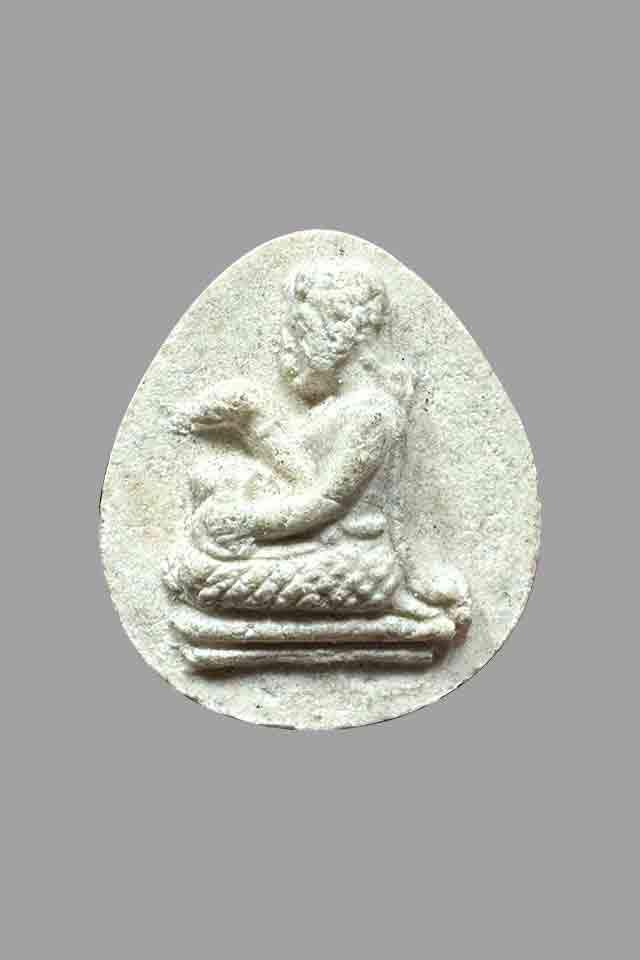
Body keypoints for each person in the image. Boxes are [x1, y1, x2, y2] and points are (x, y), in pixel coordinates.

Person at [164, 258, 469, 629]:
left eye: (299, 331)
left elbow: (324, 503)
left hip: (357, 564)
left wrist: (246, 522)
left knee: (201, 575)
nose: (291, 345)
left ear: (335, 334)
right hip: (315, 546)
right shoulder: (335, 410)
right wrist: (249, 418)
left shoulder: (373, 414)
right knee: (206, 524)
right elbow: (303, 477)